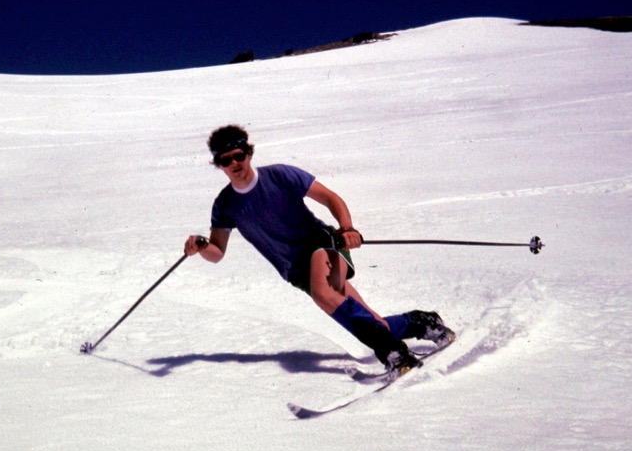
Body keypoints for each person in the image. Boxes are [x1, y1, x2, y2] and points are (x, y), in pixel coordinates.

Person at [183, 124, 453, 376]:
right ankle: (420, 322)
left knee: (324, 294)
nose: (234, 164)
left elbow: (330, 198)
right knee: (367, 320)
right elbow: (217, 252)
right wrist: (201, 246)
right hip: (294, 270)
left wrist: (347, 228)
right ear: (219, 165)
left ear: (249, 154)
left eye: (238, 156)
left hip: (321, 242)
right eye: (225, 160)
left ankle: (394, 354)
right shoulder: (225, 204)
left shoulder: (279, 175)